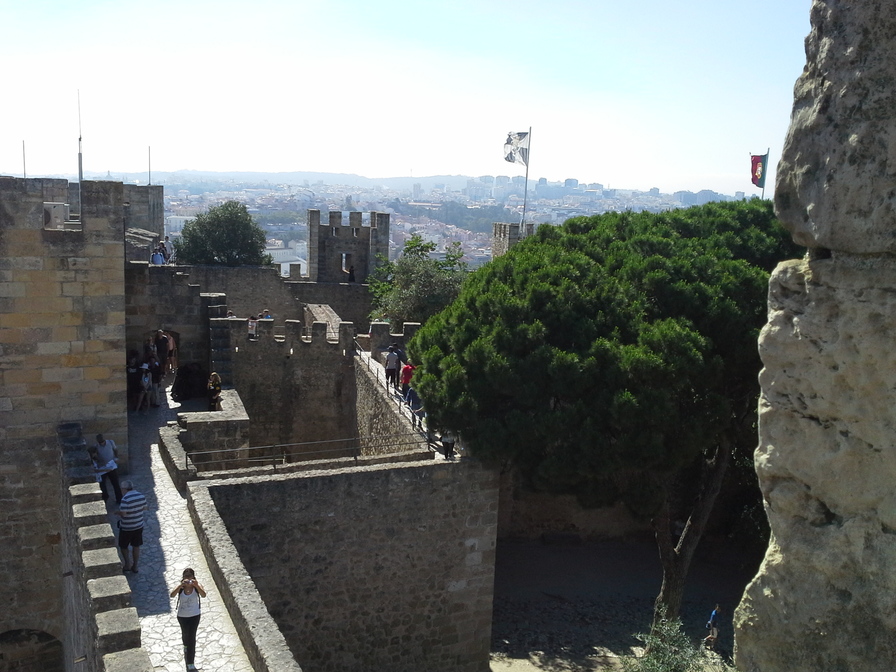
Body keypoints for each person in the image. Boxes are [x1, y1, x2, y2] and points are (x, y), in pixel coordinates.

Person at [170, 567, 207, 672]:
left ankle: (190, 662)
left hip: (195, 616)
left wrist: (196, 585)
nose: (188, 579)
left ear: (193, 577)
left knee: (192, 638)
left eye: (190, 577)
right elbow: (172, 595)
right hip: (182, 616)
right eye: (186, 577)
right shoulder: (180, 587)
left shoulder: (197, 586)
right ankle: (185, 646)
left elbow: (203, 595)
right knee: (185, 634)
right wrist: (180, 586)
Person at [116, 480, 147, 572]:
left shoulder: (125, 499)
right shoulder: (141, 496)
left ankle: (127, 564)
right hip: (139, 525)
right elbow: (145, 508)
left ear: (124, 489)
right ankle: (135, 566)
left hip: (126, 527)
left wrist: (117, 513)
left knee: (123, 546)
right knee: (136, 546)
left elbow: (123, 513)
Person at [93, 434, 122, 503]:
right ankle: (105, 499)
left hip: (111, 466)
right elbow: (95, 456)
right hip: (103, 468)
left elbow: (115, 450)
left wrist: (116, 458)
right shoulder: (96, 446)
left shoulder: (111, 442)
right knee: (102, 485)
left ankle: (119, 499)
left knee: (116, 483)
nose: (101, 443)